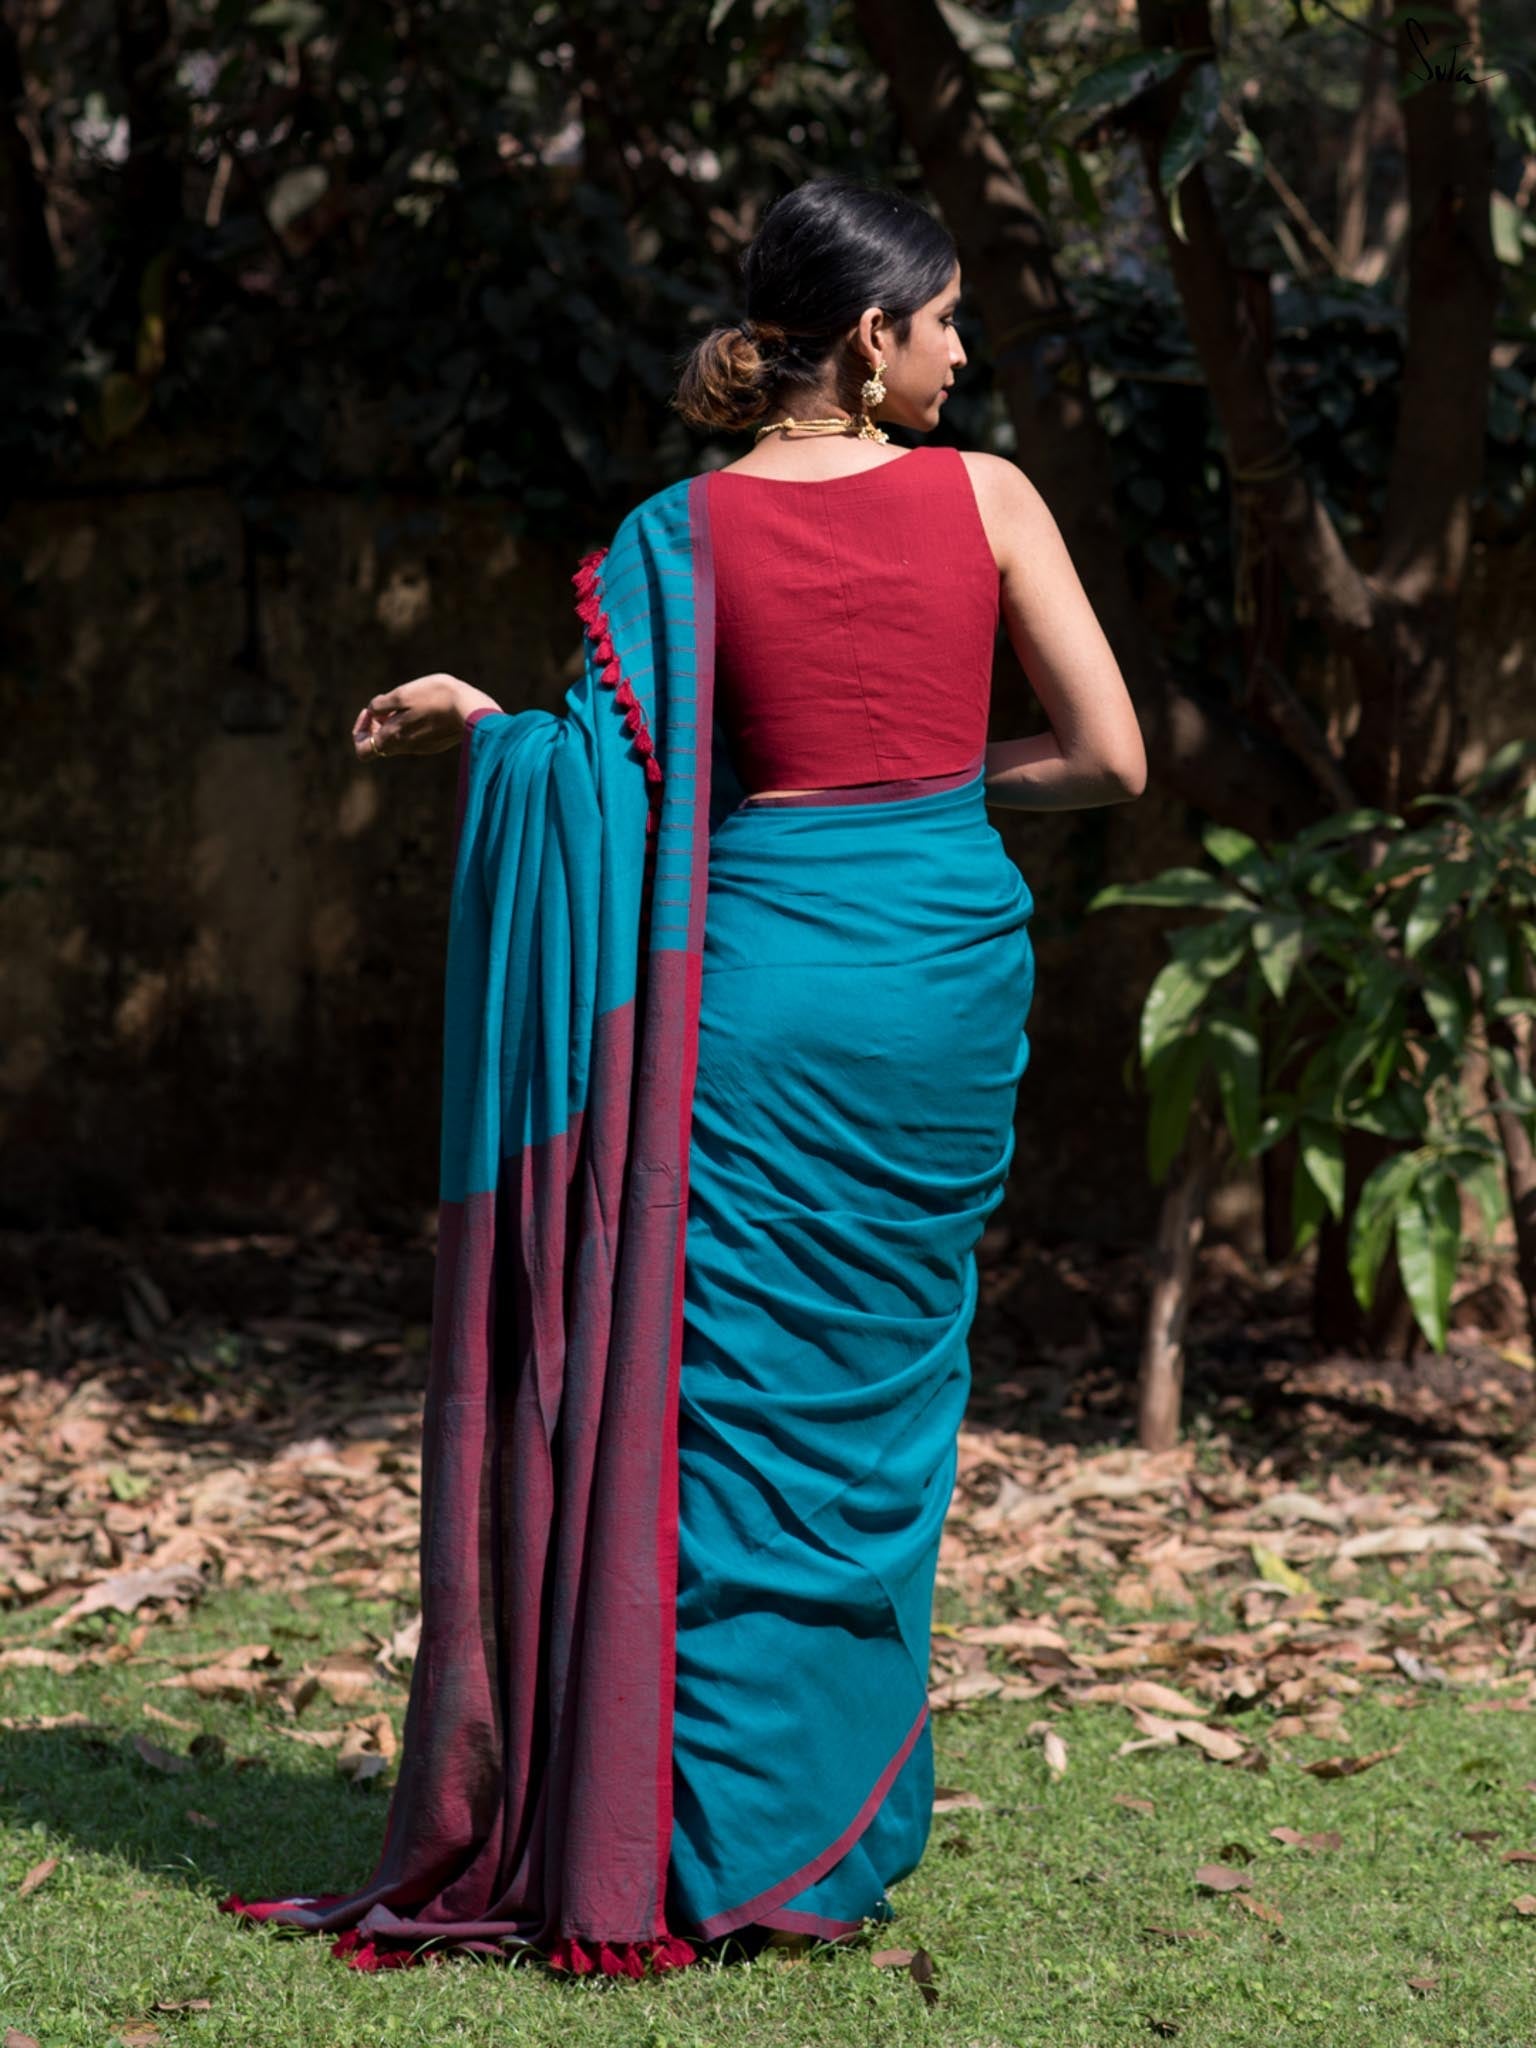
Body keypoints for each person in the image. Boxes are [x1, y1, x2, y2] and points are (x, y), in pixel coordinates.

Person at [220, 174, 1144, 1979]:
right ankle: (823, 1836)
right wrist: (951, 790)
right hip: (942, 982)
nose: (963, 350)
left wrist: (488, 728)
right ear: (872, 339)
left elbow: (606, 787)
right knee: (879, 1413)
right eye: (947, 318)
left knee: (725, 1409)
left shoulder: (678, 536)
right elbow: (1107, 757)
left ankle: (706, 1833)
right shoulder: (996, 500)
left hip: (765, 985)